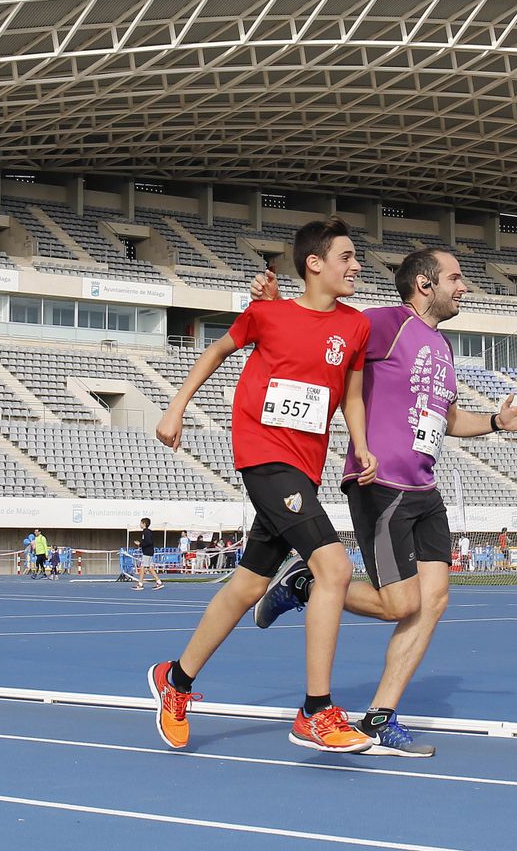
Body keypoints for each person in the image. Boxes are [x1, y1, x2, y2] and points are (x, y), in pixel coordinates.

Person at [250, 246, 517, 756]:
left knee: (435, 600)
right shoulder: (385, 323)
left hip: (425, 488)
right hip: (380, 484)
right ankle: (308, 582)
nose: (463, 287)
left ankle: (381, 717)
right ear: (425, 284)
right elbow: (324, 336)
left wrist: (496, 422)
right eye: (455, 278)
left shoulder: (442, 348)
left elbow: (447, 421)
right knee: (400, 604)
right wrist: (275, 309)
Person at [149, 216, 376, 754]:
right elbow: (215, 352)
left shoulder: (356, 326)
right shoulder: (266, 314)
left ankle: (174, 682)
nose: (356, 266)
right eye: (346, 257)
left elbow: (352, 395)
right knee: (334, 567)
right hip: (264, 456)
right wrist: (176, 409)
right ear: (314, 264)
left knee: (249, 584)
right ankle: (316, 712)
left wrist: (361, 444)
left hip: (305, 466)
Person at [133, 518, 164, 591]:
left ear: (144, 524)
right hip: (149, 552)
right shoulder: (147, 532)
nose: (139, 524)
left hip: (147, 552)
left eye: (140, 523)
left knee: (142, 567)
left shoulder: (146, 532)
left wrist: (140, 544)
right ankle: (159, 582)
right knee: (150, 568)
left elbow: (148, 542)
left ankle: (140, 584)